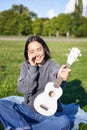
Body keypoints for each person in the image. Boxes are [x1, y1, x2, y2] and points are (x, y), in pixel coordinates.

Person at [0, 35, 71, 130]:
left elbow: (56, 78)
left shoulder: (53, 65)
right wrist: (33, 68)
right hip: (28, 110)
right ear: (28, 53)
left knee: (64, 122)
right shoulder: (25, 66)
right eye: (32, 51)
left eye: (39, 50)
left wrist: (60, 76)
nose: (36, 54)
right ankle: (23, 126)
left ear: (44, 49)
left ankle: (22, 127)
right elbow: (23, 89)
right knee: (1, 104)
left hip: (48, 114)